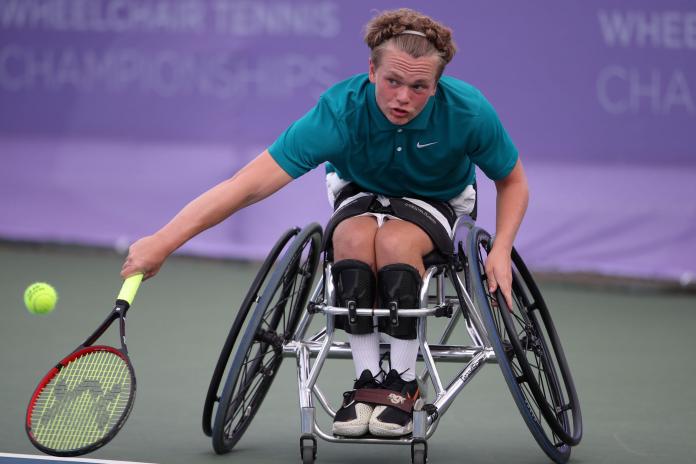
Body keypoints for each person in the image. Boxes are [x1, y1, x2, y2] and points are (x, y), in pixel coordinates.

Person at [121, 8, 528, 439]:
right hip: (361, 190)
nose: (403, 97)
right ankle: (368, 382)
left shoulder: (468, 112)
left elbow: (513, 181)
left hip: (438, 197)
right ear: (371, 70)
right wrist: (163, 241)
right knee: (351, 236)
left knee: (393, 242)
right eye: (392, 81)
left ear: (436, 84)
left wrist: (501, 249)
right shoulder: (339, 112)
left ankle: (403, 384)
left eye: (418, 86)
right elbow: (246, 186)